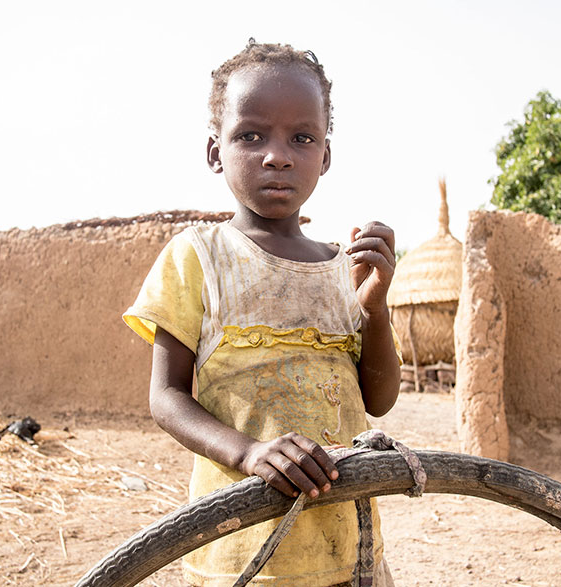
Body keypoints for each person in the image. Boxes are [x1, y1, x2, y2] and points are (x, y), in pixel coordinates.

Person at [123, 40, 401, 587]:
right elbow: (167, 396)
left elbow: (381, 400)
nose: (278, 155)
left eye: (302, 137)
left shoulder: (344, 267)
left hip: (348, 549)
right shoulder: (198, 256)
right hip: (239, 549)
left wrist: (375, 310)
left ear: (325, 155)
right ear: (214, 151)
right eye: (250, 135)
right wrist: (249, 453)